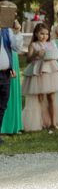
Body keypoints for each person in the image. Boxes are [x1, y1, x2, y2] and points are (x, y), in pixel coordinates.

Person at [22, 24, 58, 132]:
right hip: (38, 73)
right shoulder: (33, 45)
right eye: (41, 34)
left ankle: (53, 122)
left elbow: (55, 55)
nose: (44, 36)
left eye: (46, 34)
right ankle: (39, 121)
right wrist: (35, 54)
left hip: (50, 72)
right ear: (36, 34)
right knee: (39, 98)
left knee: (52, 97)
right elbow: (28, 60)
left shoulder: (51, 44)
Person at [0, 12, 23, 141]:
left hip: (5, 73)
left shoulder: (7, 30)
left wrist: (17, 32)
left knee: (2, 105)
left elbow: (16, 47)